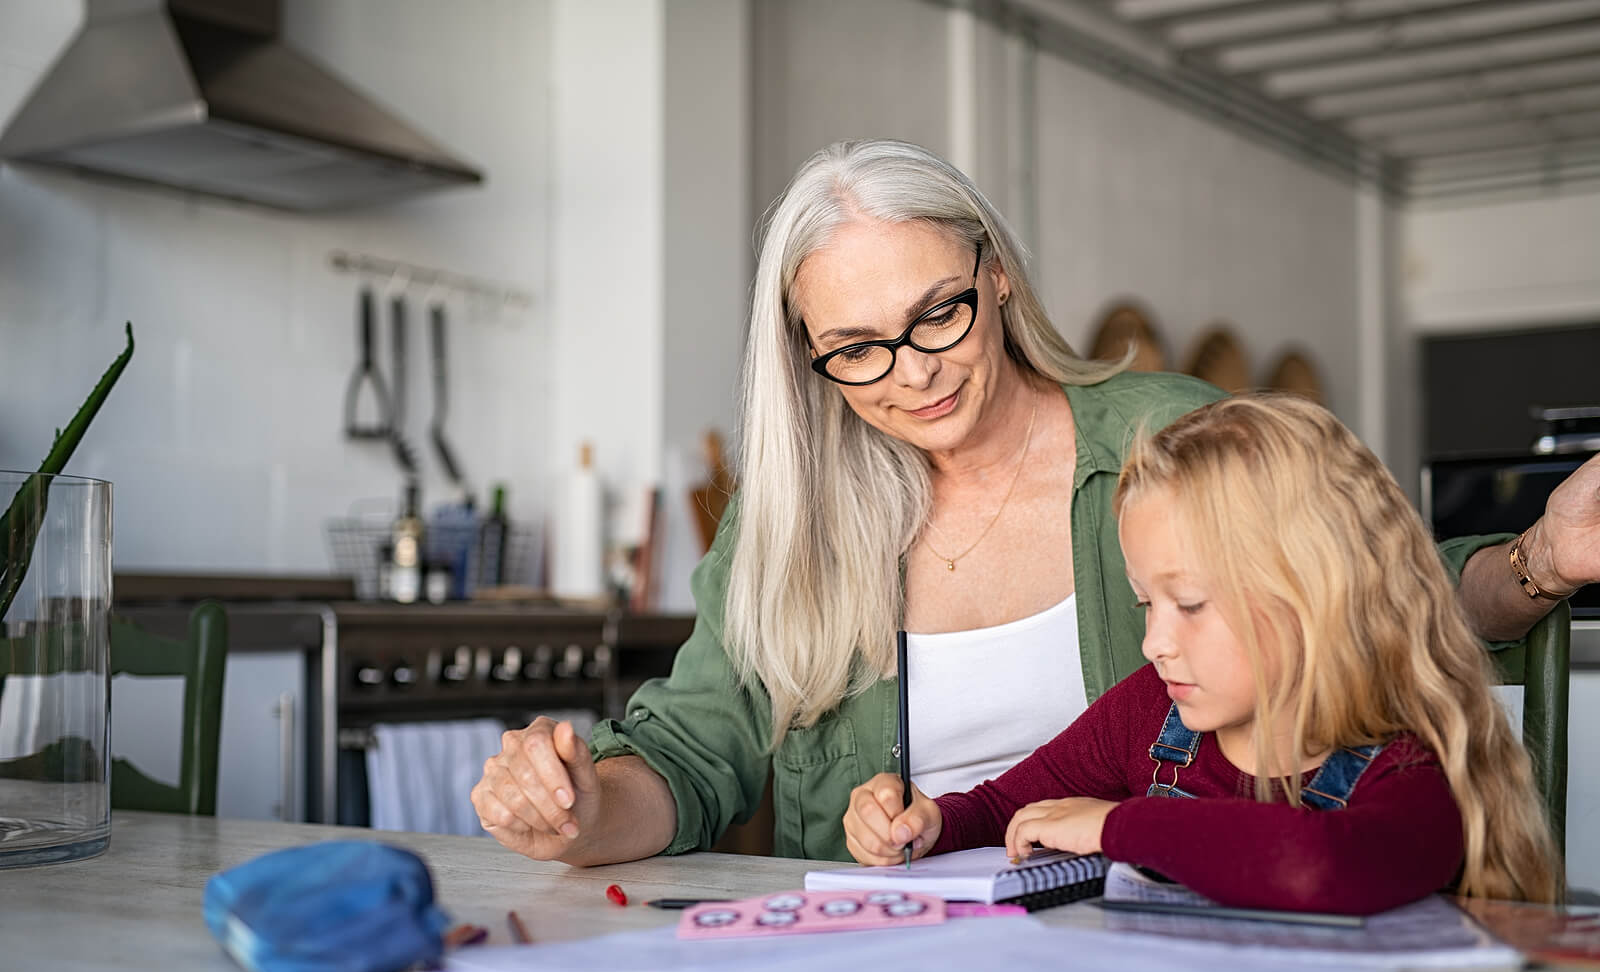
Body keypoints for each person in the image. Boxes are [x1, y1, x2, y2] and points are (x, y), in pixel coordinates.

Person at [471, 139, 1599, 866]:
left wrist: (1541, 556)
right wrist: (577, 813)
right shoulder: (791, 523)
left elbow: (1366, 594)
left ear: (995, 274)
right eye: (857, 350)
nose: (911, 369)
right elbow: (690, 753)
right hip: (892, 956)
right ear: (805, 358)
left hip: (1152, 933)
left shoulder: (1162, 434)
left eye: (938, 313)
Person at [844, 394, 1561, 912]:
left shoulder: (1412, 756)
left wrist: (1114, 825)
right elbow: (1007, 805)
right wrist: (930, 820)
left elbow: (1321, 866)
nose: (1155, 641)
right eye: (1144, 604)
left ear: (1316, 591)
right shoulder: (1149, 716)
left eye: (1189, 604)